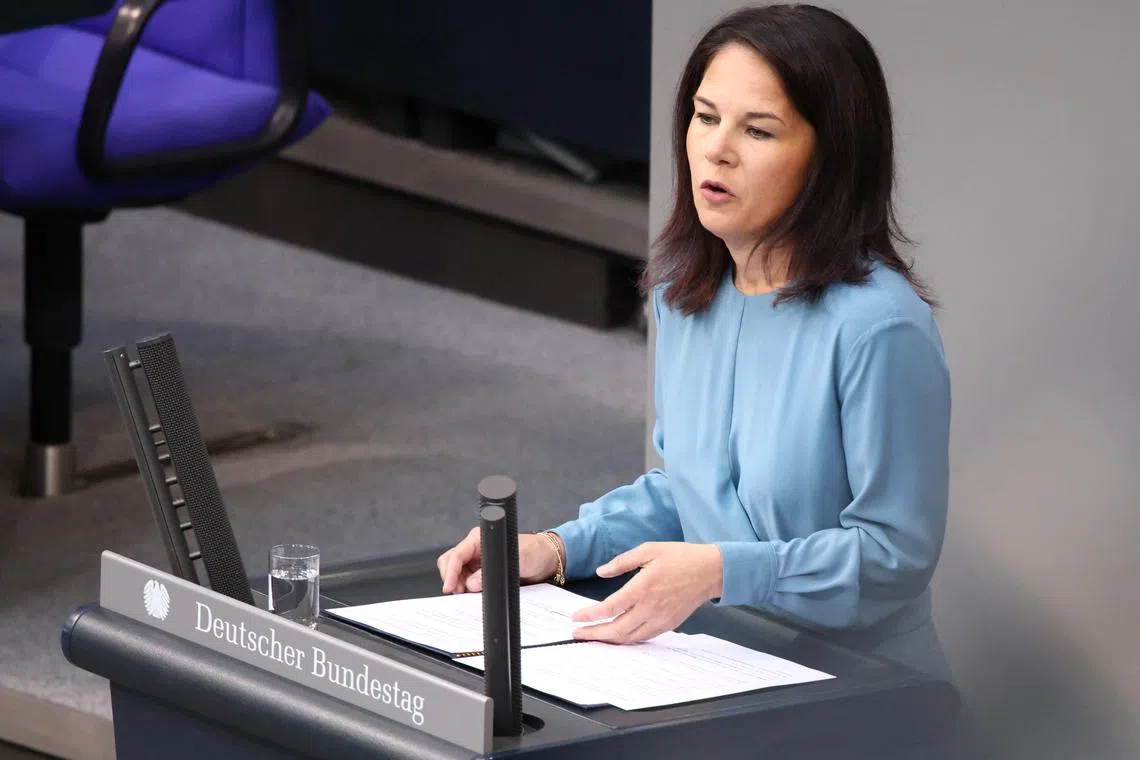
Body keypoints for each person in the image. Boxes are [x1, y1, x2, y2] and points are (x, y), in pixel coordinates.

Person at [437, 3, 954, 683]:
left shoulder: (878, 329)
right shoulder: (685, 291)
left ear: (831, 159)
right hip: (724, 652)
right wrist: (558, 548)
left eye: (758, 131)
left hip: (861, 685)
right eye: (705, 117)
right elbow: (691, 491)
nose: (717, 149)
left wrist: (719, 569)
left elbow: (894, 555)